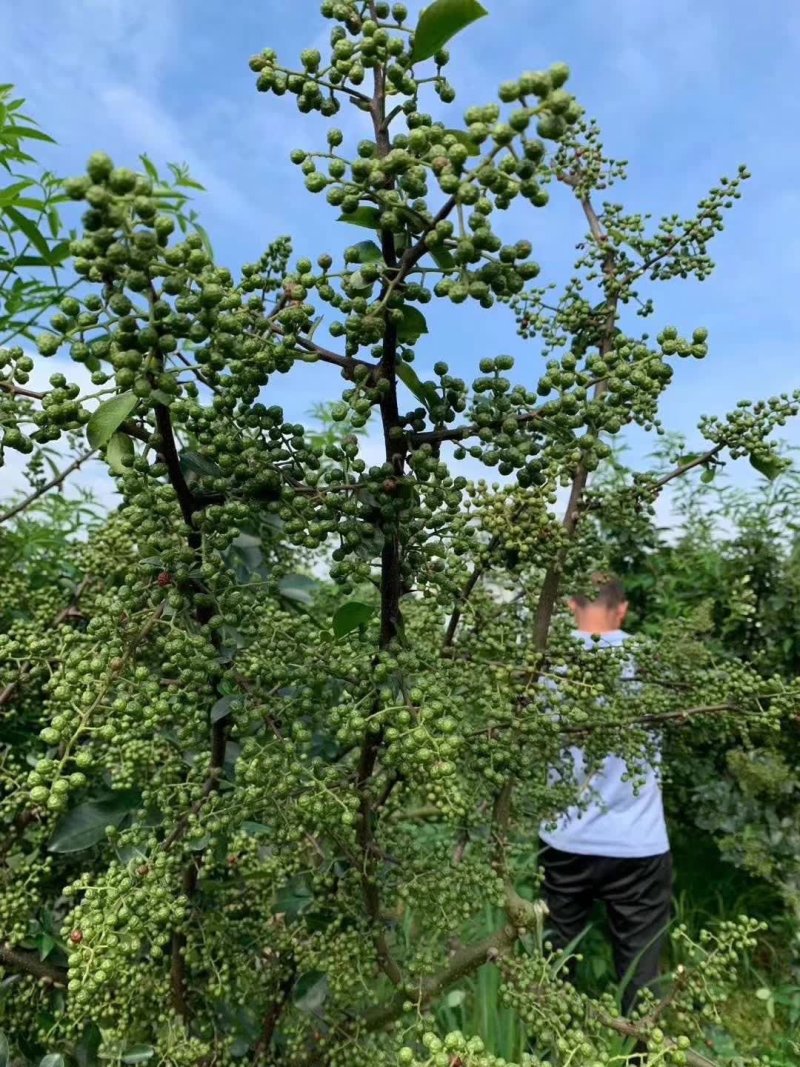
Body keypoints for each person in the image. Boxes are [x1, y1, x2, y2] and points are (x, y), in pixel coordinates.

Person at [538, 576, 673, 1019]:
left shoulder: (546, 665)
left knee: (553, 965)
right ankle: (642, 1053)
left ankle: (546, 1049)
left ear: (572, 605)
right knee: (642, 978)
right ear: (623, 609)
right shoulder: (654, 662)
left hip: (564, 842)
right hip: (639, 843)